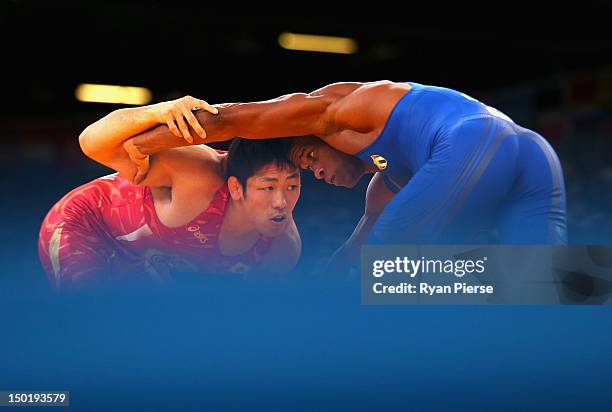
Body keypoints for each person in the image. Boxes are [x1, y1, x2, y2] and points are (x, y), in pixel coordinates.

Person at [122, 81, 568, 263]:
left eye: (310, 158)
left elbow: (239, 119)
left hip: (476, 141)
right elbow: (352, 257)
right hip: (533, 154)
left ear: (322, 135)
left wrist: (145, 140)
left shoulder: (342, 109)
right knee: (548, 287)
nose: (315, 172)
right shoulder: (390, 180)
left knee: (390, 273)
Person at [38, 96, 301, 289]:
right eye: (268, 187)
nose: (282, 203)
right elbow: (91, 141)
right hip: (85, 223)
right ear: (235, 188)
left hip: (143, 258)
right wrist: (159, 112)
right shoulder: (198, 174)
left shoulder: (282, 249)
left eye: (292, 186)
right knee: (91, 319)